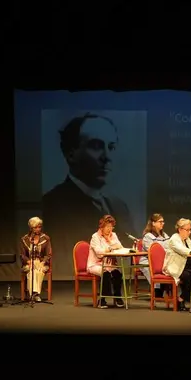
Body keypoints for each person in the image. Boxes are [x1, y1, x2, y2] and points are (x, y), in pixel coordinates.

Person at [42, 113, 137, 281]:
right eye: (96, 146)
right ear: (71, 153)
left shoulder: (119, 205)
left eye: (112, 147)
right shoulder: (53, 204)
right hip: (98, 266)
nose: (107, 157)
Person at [88, 215, 125, 308]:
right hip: (95, 264)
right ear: (102, 227)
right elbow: (99, 252)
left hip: (109, 264)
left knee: (117, 273)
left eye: (111, 226)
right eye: (108, 227)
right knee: (106, 273)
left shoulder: (113, 235)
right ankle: (102, 300)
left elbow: (120, 247)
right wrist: (110, 247)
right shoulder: (95, 237)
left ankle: (117, 297)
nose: (110, 229)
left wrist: (109, 241)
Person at [19, 217, 52, 301]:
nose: (38, 229)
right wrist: (28, 261)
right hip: (29, 262)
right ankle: (34, 294)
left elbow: (49, 254)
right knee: (32, 270)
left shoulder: (46, 238)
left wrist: (43, 262)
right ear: (31, 228)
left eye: (39, 227)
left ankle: (34, 294)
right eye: (36, 227)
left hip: (41, 262)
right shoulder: (25, 239)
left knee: (38, 270)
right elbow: (22, 255)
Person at [141, 213, 171, 299]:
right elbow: (153, 252)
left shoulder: (164, 235)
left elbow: (170, 246)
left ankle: (169, 291)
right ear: (153, 223)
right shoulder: (148, 236)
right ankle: (157, 290)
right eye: (160, 221)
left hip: (163, 260)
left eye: (163, 221)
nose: (162, 223)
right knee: (158, 268)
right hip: (149, 261)